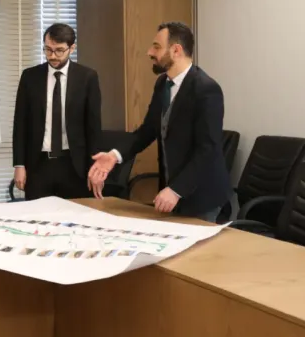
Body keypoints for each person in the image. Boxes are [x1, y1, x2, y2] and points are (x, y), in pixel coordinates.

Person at [89, 22, 230, 222]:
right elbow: (147, 131)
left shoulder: (206, 89)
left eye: (156, 47)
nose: (150, 52)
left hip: (201, 197)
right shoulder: (163, 84)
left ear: (176, 50)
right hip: (171, 194)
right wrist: (114, 155)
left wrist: (176, 190)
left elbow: (207, 149)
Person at [12, 23, 103, 200]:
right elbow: (20, 123)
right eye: (48, 50)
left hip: (74, 165)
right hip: (38, 164)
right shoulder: (30, 77)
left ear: (72, 48)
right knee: (37, 214)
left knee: (75, 214)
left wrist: (95, 167)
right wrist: (19, 165)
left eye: (59, 50)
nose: (52, 56)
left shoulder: (87, 77)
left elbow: (93, 127)